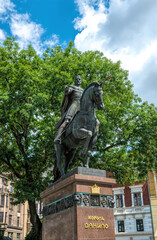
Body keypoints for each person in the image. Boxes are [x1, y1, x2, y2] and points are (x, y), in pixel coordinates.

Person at [54, 75, 84, 144]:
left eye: (79, 79)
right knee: (67, 120)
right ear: (75, 81)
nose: (78, 80)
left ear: (81, 81)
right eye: (77, 79)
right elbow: (67, 92)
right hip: (74, 105)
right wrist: (67, 89)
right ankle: (58, 136)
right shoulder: (72, 87)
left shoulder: (83, 90)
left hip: (81, 107)